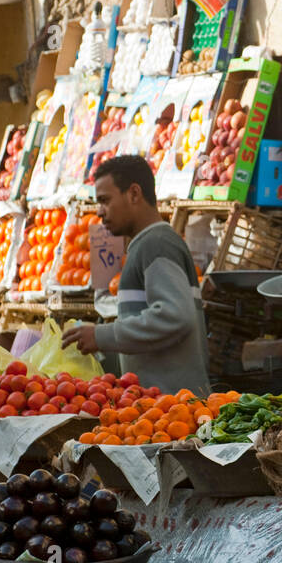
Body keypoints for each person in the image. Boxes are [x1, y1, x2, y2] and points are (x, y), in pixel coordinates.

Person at [63, 155, 211, 396]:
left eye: (105, 200)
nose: (99, 212)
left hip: (176, 408)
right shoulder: (147, 245)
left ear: (133, 193)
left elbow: (175, 316)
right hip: (164, 406)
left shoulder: (157, 245)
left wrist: (103, 336)